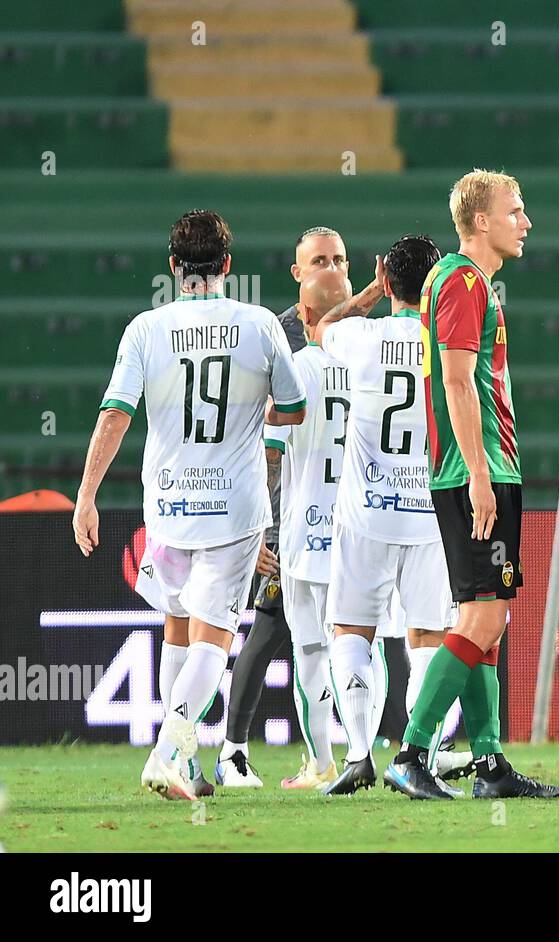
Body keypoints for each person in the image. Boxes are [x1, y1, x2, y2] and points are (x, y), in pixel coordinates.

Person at [74, 209, 305, 801]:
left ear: (174, 267)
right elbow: (295, 409)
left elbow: (115, 414)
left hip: (169, 508)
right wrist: (250, 415)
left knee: (176, 626)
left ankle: (188, 765)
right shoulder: (258, 325)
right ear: (227, 265)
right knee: (213, 637)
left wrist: (87, 497)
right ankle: (170, 751)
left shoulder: (146, 329)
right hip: (235, 507)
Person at [396, 170, 559, 800]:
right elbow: (458, 381)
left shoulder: (463, 282)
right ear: (483, 221)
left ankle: (489, 761)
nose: (526, 222)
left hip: (480, 469)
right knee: (485, 615)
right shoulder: (464, 282)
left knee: (484, 619)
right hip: (478, 471)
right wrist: (480, 473)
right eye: (516, 211)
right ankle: (413, 751)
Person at [312, 235, 465, 797]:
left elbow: (320, 328)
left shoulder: (362, 336)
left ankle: (357, 754)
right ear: (433, 284)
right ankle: (415, 754)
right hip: (429, 513)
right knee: (427, 638)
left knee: (351, 630)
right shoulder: (445, 341)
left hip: (365, 512)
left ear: (386, 278)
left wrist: (369, 292)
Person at [218, 225, 350, 788]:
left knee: (340, 635)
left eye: (339, 259)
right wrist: (262, 528)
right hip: (294, 517)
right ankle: (234, 750)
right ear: (297, 273)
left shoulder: (357, 332)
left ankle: (348, 752)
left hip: (345, 516)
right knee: (273, 625)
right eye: (319, 260)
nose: (330, 268)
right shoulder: (279, 337)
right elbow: (253, 436)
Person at [261, 268, 353, 789]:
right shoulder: (370, 364)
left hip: (303, 533)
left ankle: (321, 763)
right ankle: (364, 751)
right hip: (363, 531)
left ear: (306, 316)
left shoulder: (295, 367)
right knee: (362, 643)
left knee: (311, 650)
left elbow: (271, 455)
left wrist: (262, 526)